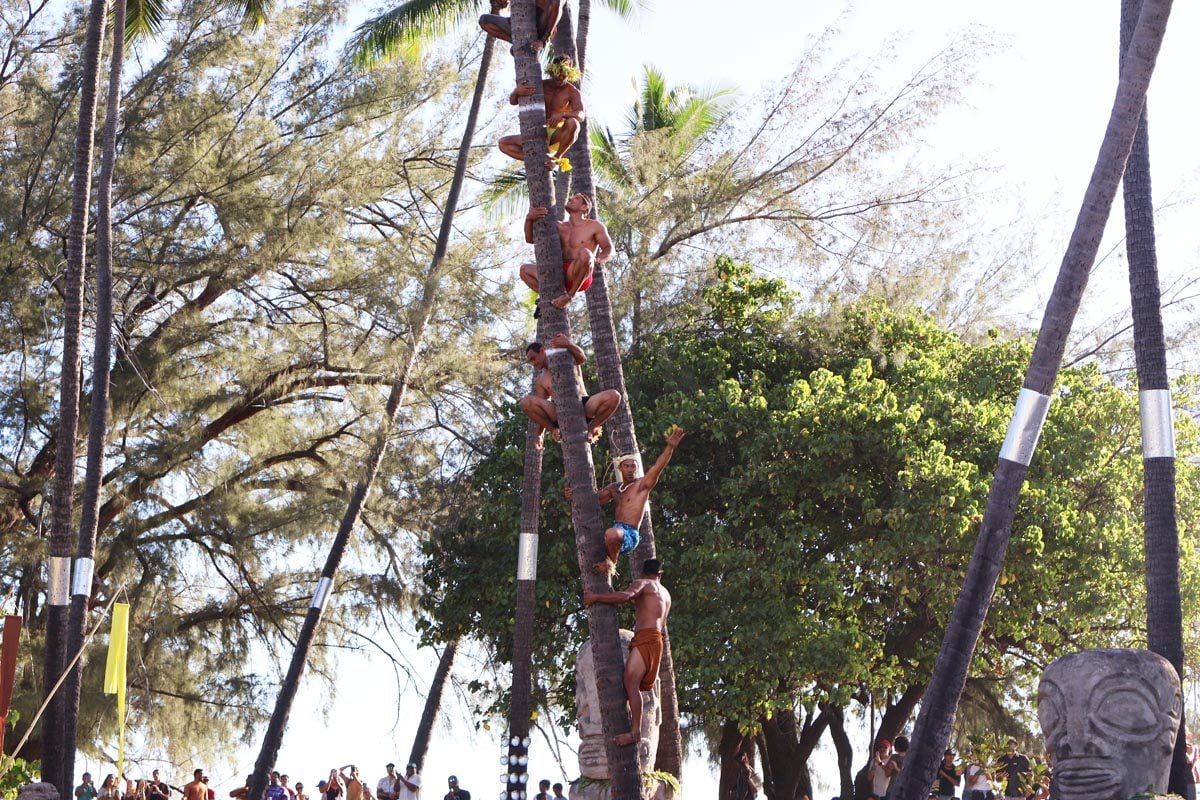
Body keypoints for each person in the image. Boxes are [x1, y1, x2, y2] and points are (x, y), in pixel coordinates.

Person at [571, 426, 685, 576]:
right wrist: (573, 494)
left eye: (633, 466)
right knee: (598, 536)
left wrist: (670, 447)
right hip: (614, 532)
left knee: (611, 534)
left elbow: (658, 467)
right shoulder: (614, 488)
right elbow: (592, 500)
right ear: (620, 468)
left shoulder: (641, 485)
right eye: (627, 466)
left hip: (630, 534)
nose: (630, 469)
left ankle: (611, 565)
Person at [583, 558, 672, 747]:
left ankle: (635, 732)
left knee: (630, 681)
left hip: (646, 637)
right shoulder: (665, 593)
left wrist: (596, 598)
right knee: (634, 683)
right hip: (657, 641)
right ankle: (635, 728)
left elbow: (626, 596)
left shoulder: (643, 583)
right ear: (660, 574)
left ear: (643, 572)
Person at [521, 334, 621, 448]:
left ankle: (591, 427)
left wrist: (568, 344)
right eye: (530, 361)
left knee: (615, 396)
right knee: (526, 402)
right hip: (559, 411)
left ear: (542, 351)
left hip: (584, 405)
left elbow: (582, 358)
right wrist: (539, 434)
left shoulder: (567, 358)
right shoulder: (540, 379)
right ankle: (554, 430)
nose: (533, 363)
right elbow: (541, 407)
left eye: (533, 358)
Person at [519, 193, 613, 312]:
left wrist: (596, 259)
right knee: (524, 271)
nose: (570, 198)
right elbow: (530, 239)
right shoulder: (557, 225)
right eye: (571, 197)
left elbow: (609, 249)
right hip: (558, 272)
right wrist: (529, 219)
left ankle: (569, 297)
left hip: (579, 271)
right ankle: (550, 299)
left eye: (576, 198)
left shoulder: (594, 226)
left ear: (584, 208)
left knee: (585, 254)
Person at [498, 56, 584, 172]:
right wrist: (517, 91)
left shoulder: (572, 92)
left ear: (570, 74)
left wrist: (562, 114)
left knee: (574, 123)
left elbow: (581, 115)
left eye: (565, 74)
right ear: (551, 71)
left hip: (556, 134)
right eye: (558, 73)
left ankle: (556, 159)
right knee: (503, 144)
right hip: (536, 132)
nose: (561, 77)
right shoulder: (540, 85)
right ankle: (536, 160)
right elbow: (513, 101)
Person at [478, 0, 562, 54]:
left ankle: (541, 42)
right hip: (517, 24)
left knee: (555, 2)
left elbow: (557, 8)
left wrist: (543, 40)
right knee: (484, 20)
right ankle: (515, 41)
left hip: (540, 26)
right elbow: (504, 3)